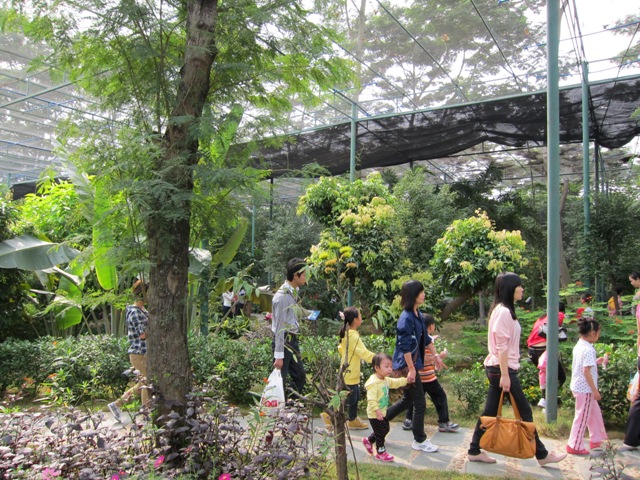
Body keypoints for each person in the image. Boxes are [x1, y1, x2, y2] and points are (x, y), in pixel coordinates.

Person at [467, 272, 566, 466]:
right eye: (519, 285)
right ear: (510, 288)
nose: (521, 289)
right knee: (525, 412)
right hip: (502, 369)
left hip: (499, 368)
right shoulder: (503, 312)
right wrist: (505, 375)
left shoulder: (502, 310)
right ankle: (542, 454)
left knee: (490, 413)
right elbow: (502, 346)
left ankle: (474, 450)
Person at [383, 280, 441, 453]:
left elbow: (425, 338)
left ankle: (380, 421)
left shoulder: (417, 314)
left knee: (408, 400)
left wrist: (436, 356)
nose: (423, 295)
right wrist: (412, 369)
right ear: (412, 295)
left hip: (412, 365)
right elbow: (405, 346)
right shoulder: (406, 318)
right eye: (420, 292)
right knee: (419, 403)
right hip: (407, 366)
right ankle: (419, 440)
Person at [402, 314, 459, 433]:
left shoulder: (417, 337)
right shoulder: (426, 340)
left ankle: (409, 420)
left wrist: (433, 339)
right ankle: (444, 422)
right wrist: (440, 356)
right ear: (431, 326)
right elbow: (423, 358)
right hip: (427, 377)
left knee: (414, 399)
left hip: (417, 376)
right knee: (440, 396)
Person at [109, 279, 150, 422]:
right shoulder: (135, 312)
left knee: (142, 384)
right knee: (147, 382)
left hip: (143, 353)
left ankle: (116, 405)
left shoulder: (142, 310)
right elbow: (143, 334)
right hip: (139, 354)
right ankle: (146, 414)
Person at [566, 316, 608, 454]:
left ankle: (596, 439)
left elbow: (582, 365)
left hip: (579, 386)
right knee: (582, 416)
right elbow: (586, 371)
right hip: (585, 389)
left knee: (594, 413)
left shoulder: (580, 345)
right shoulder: (589, 350)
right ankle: (574, 445)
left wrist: (595, 362)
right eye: (598, 332)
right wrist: (594, 391)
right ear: (593, 333)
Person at [271, 258, 308, 401]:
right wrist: (278, 355)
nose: (306, 278)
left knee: (300, 375)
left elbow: (292, 313)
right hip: (284, 339)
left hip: (292, 338)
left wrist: (308, 314)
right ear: (295, 276)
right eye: (304, 275)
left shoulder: (294, 291)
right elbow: (279, 327)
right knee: (280, 378)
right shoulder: (282, 297)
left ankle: (290, 404)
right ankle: (276, 407)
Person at [362, 353, 408, 462]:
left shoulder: (385, 379)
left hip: (382, 412)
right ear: (377, 368)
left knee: (385, 429)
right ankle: (381, 453)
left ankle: (369, 440)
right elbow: (371, 400)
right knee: (380, 434)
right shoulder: (373, 383)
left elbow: (395, 382)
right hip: (375, 414)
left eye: (391, 366)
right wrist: (377, 411)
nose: (390, 369)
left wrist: (406, 380)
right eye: (386, 366)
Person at [338, 306, 374, 430]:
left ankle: (352, 419)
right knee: (350, 399)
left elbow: (341, 349)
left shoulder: (347, 333)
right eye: (360, 316)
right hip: (350, 372)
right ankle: (331, 416)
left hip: (349, 372)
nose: (361, 318)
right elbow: (363, 353)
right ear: (355, 320)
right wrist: (378, 359)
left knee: (354, 396)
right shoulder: (352, 336)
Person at [527, 302, 567, 408]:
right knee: (561, 377)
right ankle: (548, 400)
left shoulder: (541, 318)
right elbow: (555, 332)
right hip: (543, 349)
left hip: (532, 350)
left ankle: (545, 399)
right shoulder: (559, 314)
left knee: (545, 374)